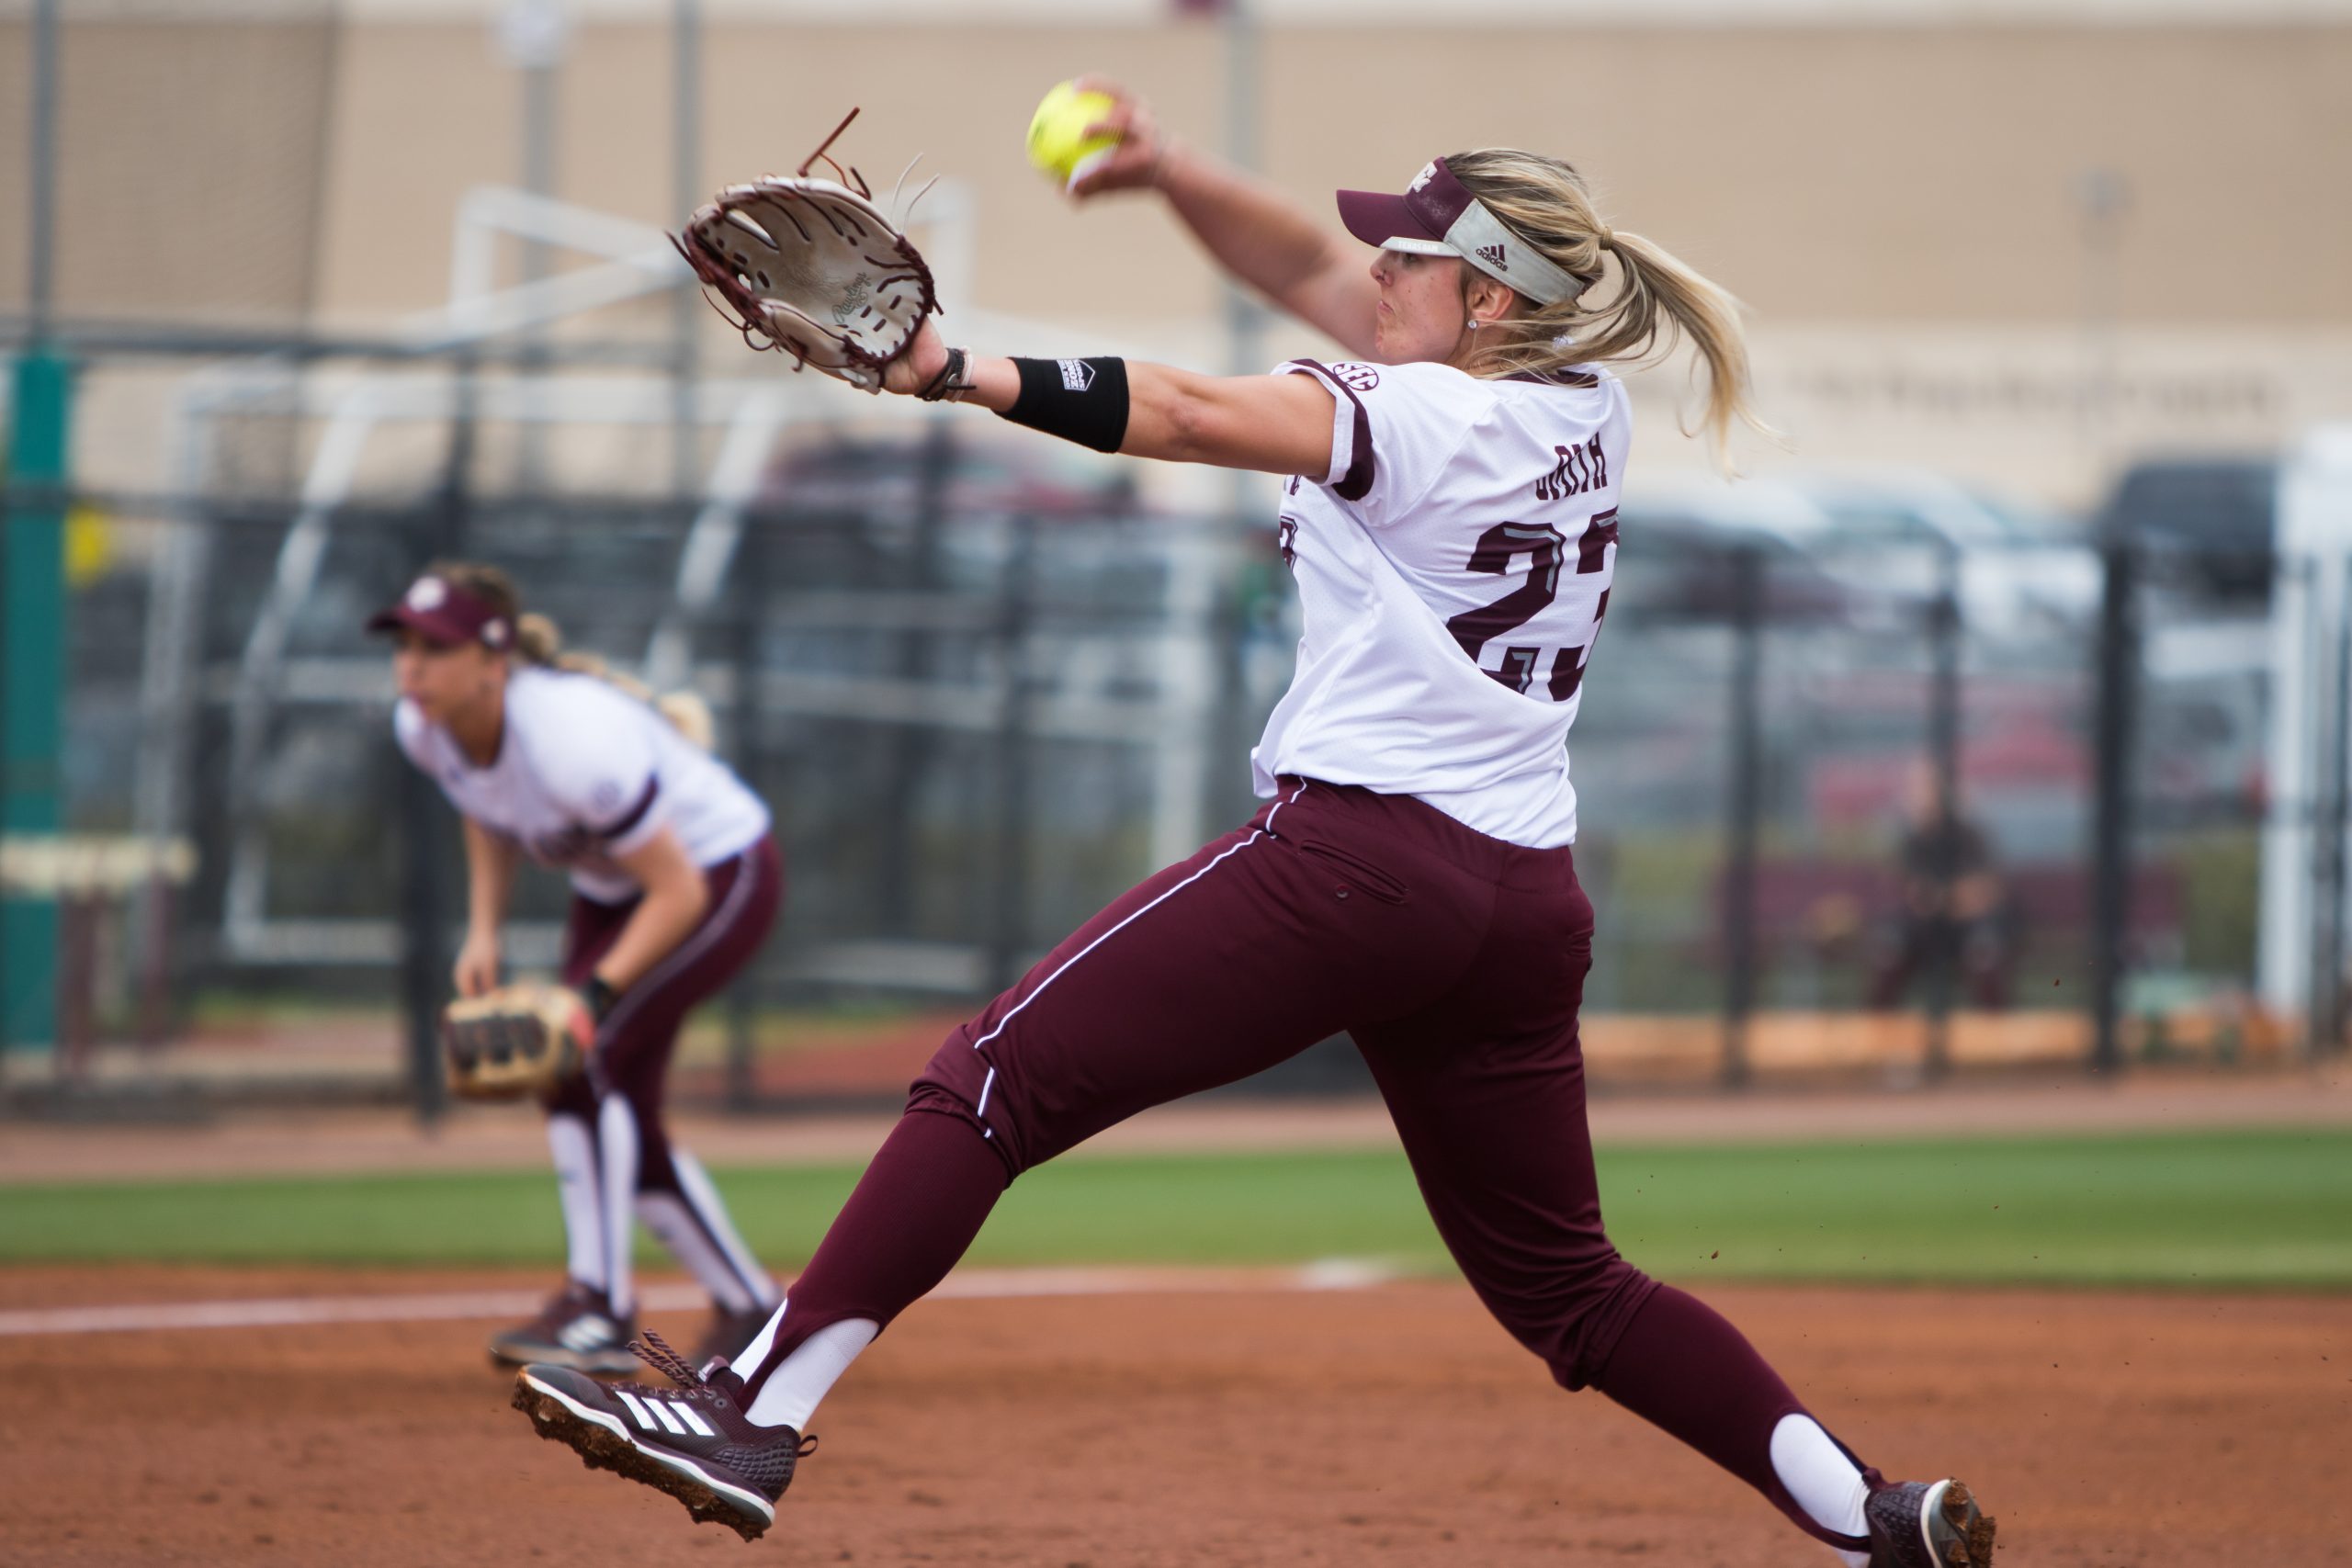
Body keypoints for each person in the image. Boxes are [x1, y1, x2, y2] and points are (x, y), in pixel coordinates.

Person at [510, 85, 1996, 1568]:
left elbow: (1192, 408)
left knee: (985, 1081)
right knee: (1573, 1289)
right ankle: (1870, 1515)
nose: (1379, 275)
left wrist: (951, 366)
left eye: (1410, 259)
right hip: (1523, 907)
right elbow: (1304, 268)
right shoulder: (1575, 406)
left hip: (1357, 868)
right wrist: (1168, 173)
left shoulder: (1413, 410)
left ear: (1483, 295)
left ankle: (751, 1408)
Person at [372, 561, 786, 1372]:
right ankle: (747, 1306)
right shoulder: (423, 725)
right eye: (404, 644)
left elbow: (677, 889)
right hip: (616, 888)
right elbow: (486, 808)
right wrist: (483, 930)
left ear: (493, 663)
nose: (412, 665)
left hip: (719, 873)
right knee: (603, 1085)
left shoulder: (571, 744)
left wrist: (593, 994)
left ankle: (599, 1303)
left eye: (436, 647)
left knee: (582, 1055)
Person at [1869, 763, 2018, 1013]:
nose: (1923, 801)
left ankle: (1996, 1036)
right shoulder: (1912, 840)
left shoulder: (1970, 835)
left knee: (1985, 950)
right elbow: (1916, 897)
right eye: (1918, 793)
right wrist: (1953, 897)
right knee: (1889, 950)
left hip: (1967, 931)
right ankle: (1877, 1038)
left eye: (1930, 793)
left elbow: (1986, 892)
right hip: (1924, 933)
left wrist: (1944, 898)